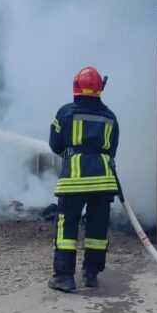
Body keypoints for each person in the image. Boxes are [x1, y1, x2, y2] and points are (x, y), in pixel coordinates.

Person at [46, 66, 120, 292]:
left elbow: (55, 144)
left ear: (76, 86)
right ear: (100, 89)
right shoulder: (110, 117)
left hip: (74, 181)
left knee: (66, 229)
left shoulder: (65, 113)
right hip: (103, 182)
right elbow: (112, 150)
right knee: (97, 230)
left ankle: (64, 277)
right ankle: (91, 274)